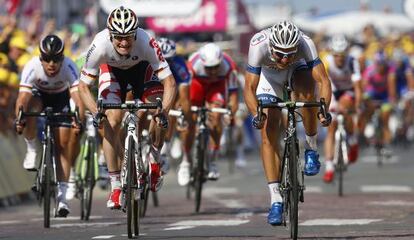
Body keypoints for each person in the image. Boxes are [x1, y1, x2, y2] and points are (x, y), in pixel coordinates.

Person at [78, 6, 176, 210]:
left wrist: (164, 112)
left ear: (135, 34)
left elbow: (170, 83)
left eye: (128, 37)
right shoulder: (99, 44)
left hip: (143, 71)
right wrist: (96, 113)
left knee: (157, 111)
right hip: (112, 73)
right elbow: (83, 86)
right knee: (110, 120)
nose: (123, 42)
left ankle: (155, 158)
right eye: (118, 38)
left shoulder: (147, 41)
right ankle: (115, 186)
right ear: (110, 34)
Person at [243, 21, 332, 226]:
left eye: (290, 53)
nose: (284, 58)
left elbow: (324, 81)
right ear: (271, 46)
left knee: (307, 94)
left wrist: (323, 110)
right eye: (280, 53)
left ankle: (311, 148)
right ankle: (275, 199)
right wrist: (256, 114)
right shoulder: (258, 44)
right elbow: (249, 86)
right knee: (268, 130)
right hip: (269, 77)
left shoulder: (305, 43)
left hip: (298, 71)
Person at [14, 34, 83, 217]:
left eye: (56, 60)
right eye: (46, 60)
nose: (51, 64)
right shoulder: (32, 66)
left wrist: (79, 118)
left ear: (62, 59)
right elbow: (23, 98)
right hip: (39, 96)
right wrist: (20, 118)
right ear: (40, 58)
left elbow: (77, 97)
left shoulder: (69, 66)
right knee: (31, 108)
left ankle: (62, 199)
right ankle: (32, 149)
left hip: (61, 99)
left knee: (62, 147)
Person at [177, 43, 239, 186]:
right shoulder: (192, 65)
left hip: (217, 87)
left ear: (221, 62)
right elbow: (183, 94)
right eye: (209, 68)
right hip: (197, 84)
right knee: (189, 121)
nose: (212, 72)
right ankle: (185, 162)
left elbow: (233, 96)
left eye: (216, 67)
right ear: (202, 62)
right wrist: (183, 111)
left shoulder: (229, 67)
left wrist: (230, 114)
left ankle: (212, 160)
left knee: (216, 117)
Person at [322, 35, 362, 183]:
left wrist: (357, 104)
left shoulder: (352, 62)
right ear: (332, 54)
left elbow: (358, 87)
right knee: (331, 127)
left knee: (346, 107)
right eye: (336, 55)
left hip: (348, 91)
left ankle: (352, 139)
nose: (339, 59)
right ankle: (329, 168)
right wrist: (326, 105)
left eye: (342, 55)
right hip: (332, 91)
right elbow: (322, 84)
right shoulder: (326, 61)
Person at [157, 37, 191, 174]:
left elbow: (184, 96)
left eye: (169, 60)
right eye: (162, 59)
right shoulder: (147, 59)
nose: (165, 63)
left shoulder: (178, 65)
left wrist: (184, 115)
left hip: (173, 87)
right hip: (154, 86)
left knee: (170, 110)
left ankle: (167, 145)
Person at [358, 51, 396, 151]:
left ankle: (387, 142)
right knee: (367, 103)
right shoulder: (370, 70)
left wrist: (392, 100)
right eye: (378, 64)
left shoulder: (390, 71)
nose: (380, 67)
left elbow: (392, 87)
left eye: (382, 64)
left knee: (385, 117)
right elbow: (364, 86)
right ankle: (365, 128)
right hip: (372, 93)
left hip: (385, 95)